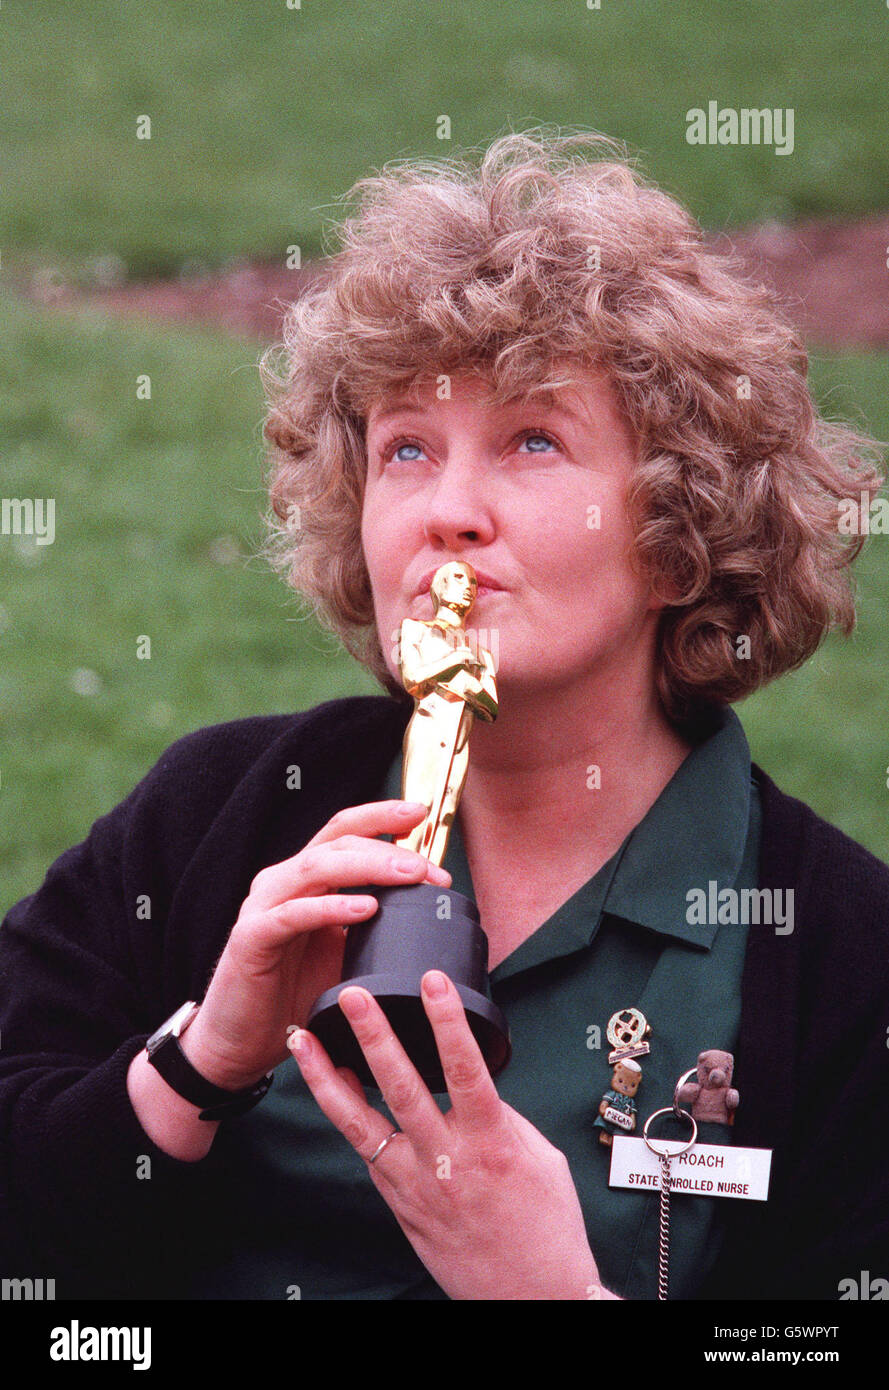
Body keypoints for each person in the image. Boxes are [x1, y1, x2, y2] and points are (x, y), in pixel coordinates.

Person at [1, 128, 887, 1301]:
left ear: (678, 535)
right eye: (406, 448)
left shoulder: (833, 947)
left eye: (532, 440)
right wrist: (197, 1067)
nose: (448, 511)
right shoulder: (216, 816)